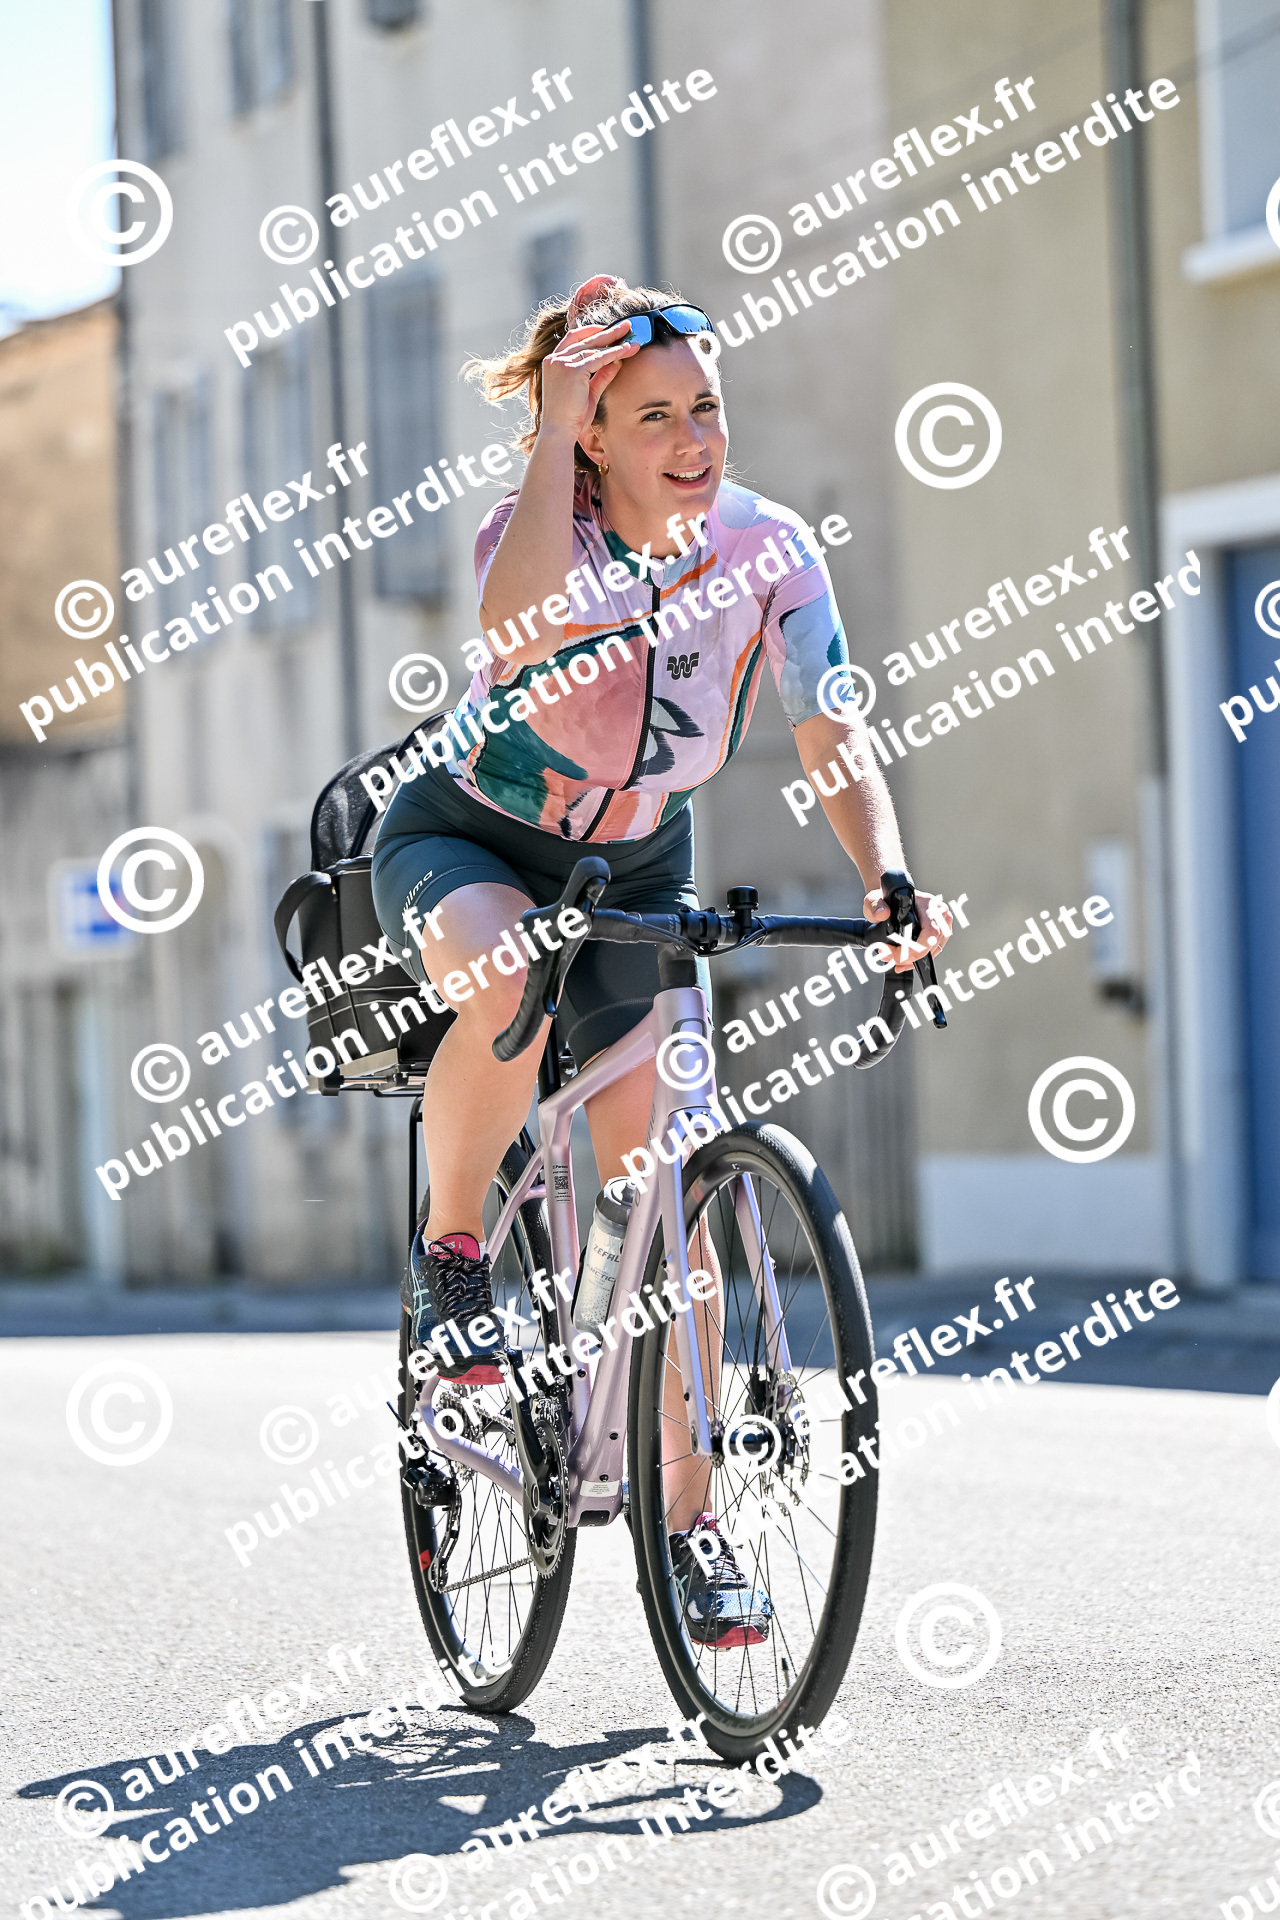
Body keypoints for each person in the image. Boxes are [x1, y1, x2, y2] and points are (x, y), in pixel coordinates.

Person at [372, 274, 952, 1645]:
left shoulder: (771, 547)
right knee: (509, 985)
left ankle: (687, 1526)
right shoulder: (533, 531)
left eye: (707, 408)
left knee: (662, 1210)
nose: (695, 440)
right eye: (653, 417)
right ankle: (456, 1254)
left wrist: (887, 878)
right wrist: (550, 422)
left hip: (638, 862)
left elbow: (828, 725)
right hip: (473, 835)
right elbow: (516, 634)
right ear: (593, 433)